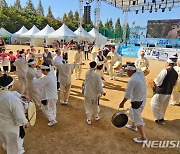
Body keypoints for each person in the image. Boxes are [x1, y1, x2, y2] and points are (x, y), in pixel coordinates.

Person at [0, 74, 29, 154]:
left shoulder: (6, 95)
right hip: (11, 127)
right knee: (16, 147)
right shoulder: (11, 99)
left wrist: (21, 96)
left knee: (6, 141)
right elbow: (19, 116)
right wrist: (25, 122)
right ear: (10, 86)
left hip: (2, 126)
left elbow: (11, 93)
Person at [119, 63, 147, 143]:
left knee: (137, 119)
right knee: (131, 111)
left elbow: (127, 95)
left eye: (127, 71)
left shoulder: (132, 80)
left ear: (132, 71)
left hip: (137, 101)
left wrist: (122, 103)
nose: (126, 73)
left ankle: (143, 137)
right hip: (142, 98)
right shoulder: (140, 72)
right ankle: (133, 126)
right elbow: (137, 68)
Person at [150, 59, 178, 123]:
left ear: (168, 63)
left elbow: (159, 82)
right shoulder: (176, 73)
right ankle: (161, 117)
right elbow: (175, 84)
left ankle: (158, 118)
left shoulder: (165, 71)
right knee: (163, 106)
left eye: (166, 62)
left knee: (154, 103)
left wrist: (154, 81)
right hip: (169, 92)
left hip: (161, 91)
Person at [33, 62, 58, 126]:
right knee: (53, 107)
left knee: (44, 108)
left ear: (45, 70)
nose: (42, 72)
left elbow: (37, 83)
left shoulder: (47, 78)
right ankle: (53, 117)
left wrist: (34, 77)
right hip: (54, 95)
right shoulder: (52, 75)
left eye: (42, 71)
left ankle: (52, 120)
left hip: (49, 96)